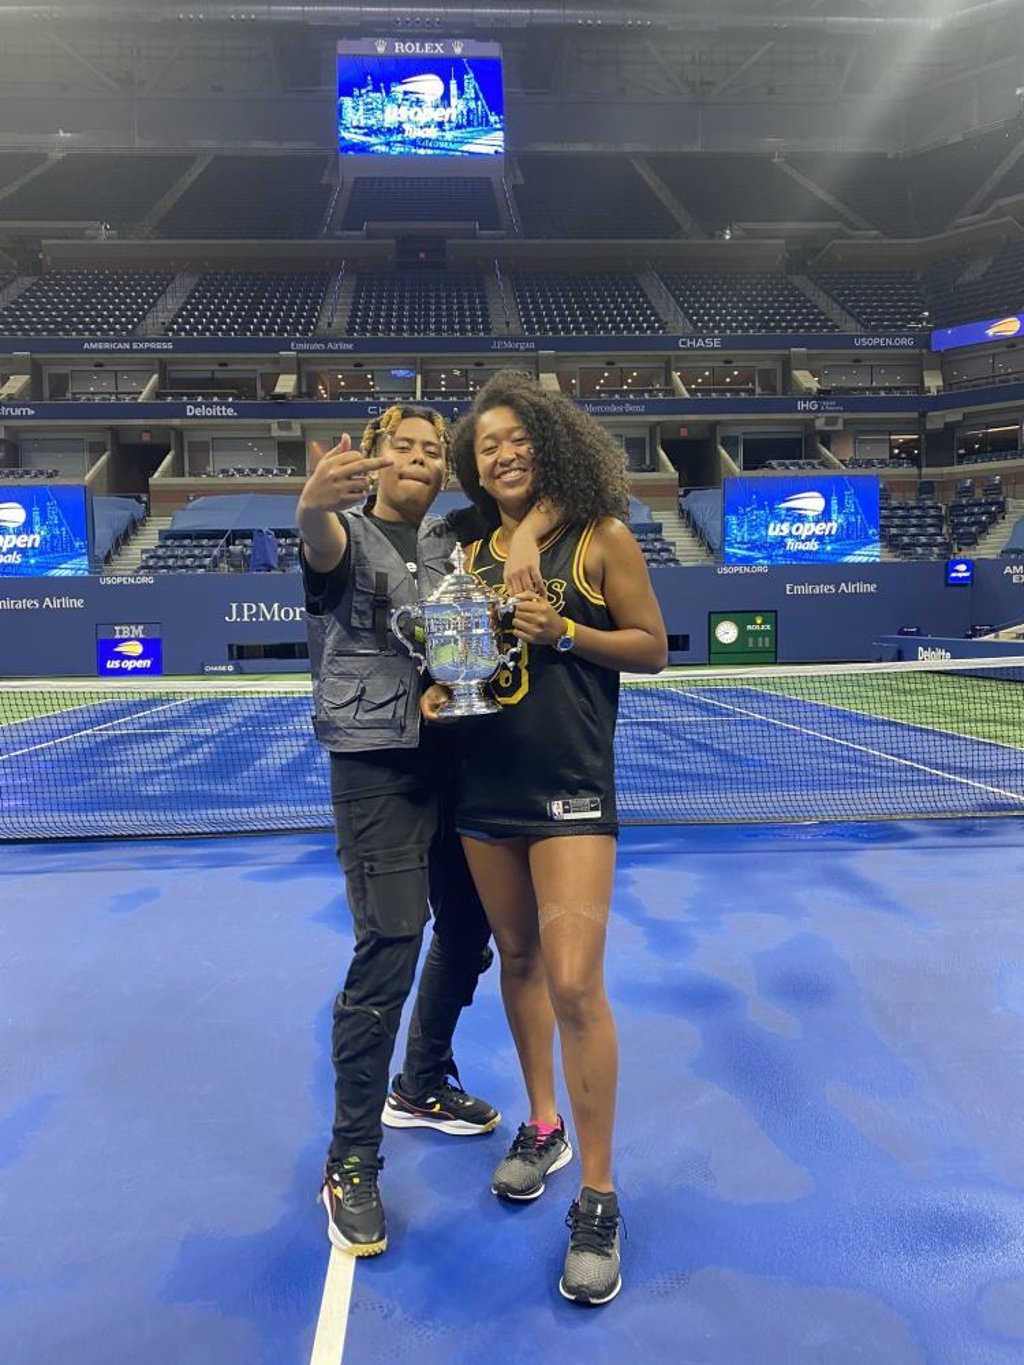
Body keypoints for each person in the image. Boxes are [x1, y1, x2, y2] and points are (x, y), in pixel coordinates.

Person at [424, 372, 668, 1305]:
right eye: (486, 445)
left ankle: (598, 1197)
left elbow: (651, 645)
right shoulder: (467, 554)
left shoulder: (600, 536)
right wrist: (440, 688)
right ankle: (542, 1124)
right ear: (473, 465)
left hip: (570, 789)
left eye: (517, 438)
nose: (503, 454)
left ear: (550, 441)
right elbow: (459, 658)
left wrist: (565, 629)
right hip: (484, 790)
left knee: (573, 981)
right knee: (519, 960)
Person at [298, 403, 555, 1258]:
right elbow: (318, 542)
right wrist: (313, 502)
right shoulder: (344, 533)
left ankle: (422, 1080)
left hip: (460, 756)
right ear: (375, 458)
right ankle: (350, 1157)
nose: (419, 458)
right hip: (378, 768)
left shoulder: (455, 540)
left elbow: (551, 494)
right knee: (391, 942)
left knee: (472, 928)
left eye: (433, 449)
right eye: (403, 446)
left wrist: (526, 537)